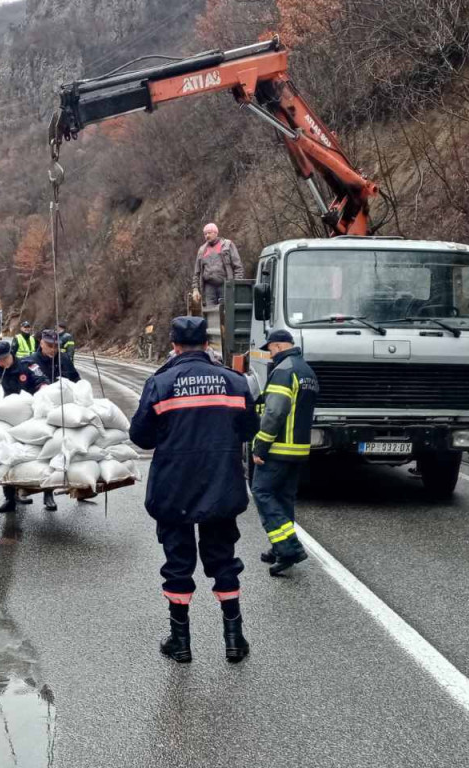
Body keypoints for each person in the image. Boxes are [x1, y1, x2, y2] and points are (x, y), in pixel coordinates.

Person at [129, 317, 259, 664]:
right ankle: (234, 640)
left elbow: (140, 436)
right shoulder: (234, 383)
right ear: (207, 343)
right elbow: (249, 429)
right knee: (224, 561)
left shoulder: (160, 383)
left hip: (174, 490)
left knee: (177, 564)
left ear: (173, 345)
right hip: (221, 487)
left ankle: (180, 643)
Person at [251, 329, 318, 575]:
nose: (269, 355)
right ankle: (279, 547)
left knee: (262, 492)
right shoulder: (306, 371)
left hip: (278, 448)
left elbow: (275, 413)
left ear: (277, 346)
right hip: (299, 449)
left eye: (270, 350)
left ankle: (289, 549)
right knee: (283, 498)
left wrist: (261, 445)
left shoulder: (283, 371)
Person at [0, 340, 50, 513]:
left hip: (31, 416)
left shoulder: (27, 366)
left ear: (11, 354)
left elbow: (42, 379)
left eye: (4, 358)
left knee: (42, 451)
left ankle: (48, 493)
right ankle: (10, 498)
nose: (1, 362)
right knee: (7, 454)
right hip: (8, 421)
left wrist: (42, 388)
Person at [190, 222, 243, 308]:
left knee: (227, 310)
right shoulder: (202, 250)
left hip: (225, 284)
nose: (207, 235)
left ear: (215, 233)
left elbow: (238, 267)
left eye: (209, 233)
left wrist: (237, 284)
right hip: (209, 287)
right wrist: (195, 289)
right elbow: (197, 272)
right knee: (210, 312)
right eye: (205, 234)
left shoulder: (227, 245)